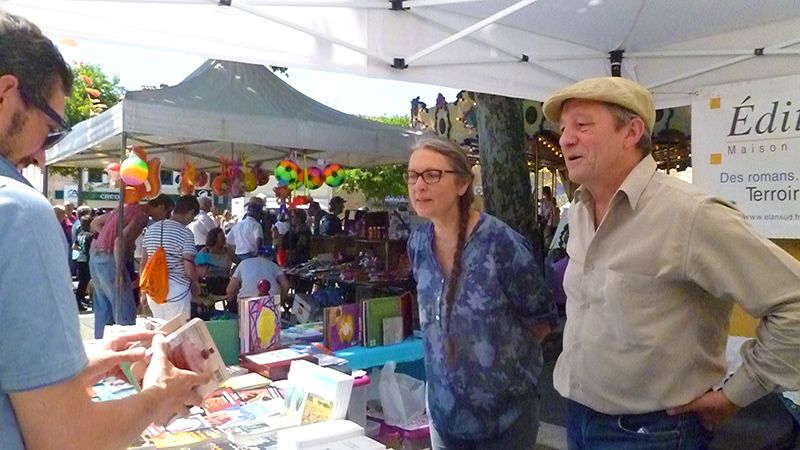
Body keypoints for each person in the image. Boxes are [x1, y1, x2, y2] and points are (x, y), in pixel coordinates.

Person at [542, 76, 800, 449]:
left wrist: (736, 395)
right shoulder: (581, 210)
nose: (566, 139)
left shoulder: (690, 214)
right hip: (578, 417)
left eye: (582, 125)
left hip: (654, 432)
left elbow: (793, 302)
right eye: (564, 128)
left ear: (631, 132)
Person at [0, 11, 209, 449]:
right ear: (5, 94)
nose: (42, 156)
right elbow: (67, 440)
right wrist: (160, 396)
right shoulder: (19, 212)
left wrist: (73, 368)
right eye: (50, 130)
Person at [405, 137, 555, 449]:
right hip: (444, 415)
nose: (419, 185)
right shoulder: (418, 243)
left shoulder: (501, 243)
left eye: (432, 175)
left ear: (462, 184)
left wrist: (497, 366)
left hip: (505, 418)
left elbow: (540, 321)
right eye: (412, 175)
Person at [90, 199, 149, 338]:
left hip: (96, 255)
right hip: (110, 257)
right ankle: (125, 344)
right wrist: (119, 271)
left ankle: (100, 343)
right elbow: (118, 242)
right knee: (123, 308)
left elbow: (95, 223)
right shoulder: (141, 215)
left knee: (103, 308)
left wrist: (106, 235)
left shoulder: (122, 209)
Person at [141, 195, 200, 321]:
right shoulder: (186, 233)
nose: (191, 221)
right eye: (193, 217)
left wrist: (143, 292)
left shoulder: (151, 230)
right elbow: (188, 268)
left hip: (154, 289)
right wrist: (196, 283)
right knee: (178, 331)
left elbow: (144, 263)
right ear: (190, 213)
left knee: (160, 329)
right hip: (177, 291)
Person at [225, 246, 290, 311]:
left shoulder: (244, 263)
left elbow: (230, 290)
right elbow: (286, 285)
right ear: (273, 258)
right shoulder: (274, 266)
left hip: (246, 302)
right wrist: (280, 302)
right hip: (270, 302)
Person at [73, 214, 95, 312]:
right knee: (85, 282)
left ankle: (80, 299)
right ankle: (78, 300)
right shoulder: (90, 236)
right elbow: (90, 250)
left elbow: (75, 247)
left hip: (79, 259)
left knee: (83, 282)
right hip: (86, 260)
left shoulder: (80, 235)